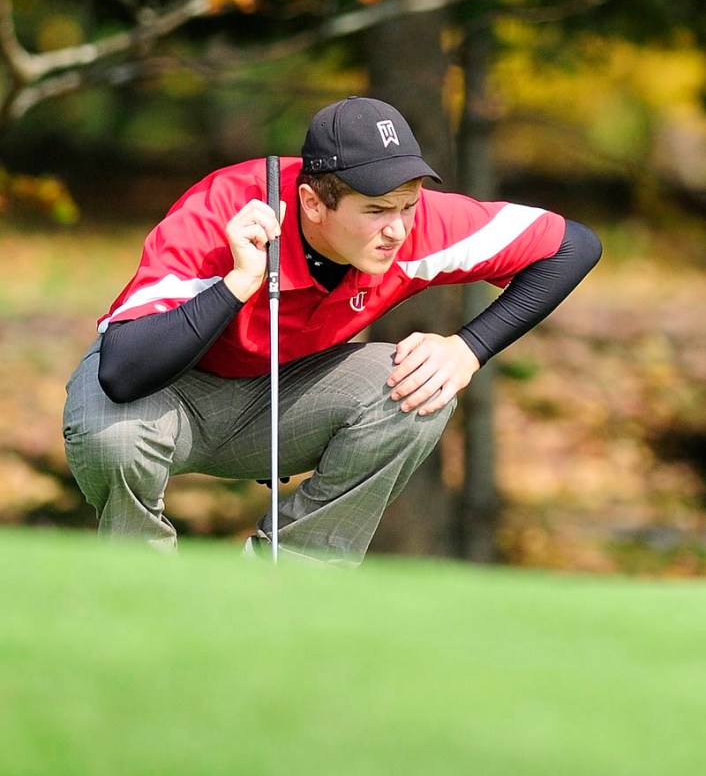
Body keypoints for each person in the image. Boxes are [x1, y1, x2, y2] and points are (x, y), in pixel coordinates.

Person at [63, 96, 601, 565]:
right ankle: (144, 587)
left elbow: (573, 245)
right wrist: (235, 283)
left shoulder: (413, 225)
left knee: (421, 389)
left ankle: (285, 585)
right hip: (168, 392)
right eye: (376, 211)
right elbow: (123, 370)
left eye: (407, 207)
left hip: (280, 401)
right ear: (313, 203)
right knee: (112, 434)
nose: (397, 229)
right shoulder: (223, 209)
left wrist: (468, 349)